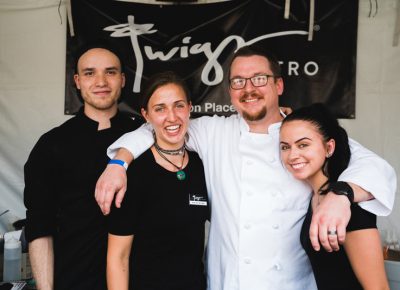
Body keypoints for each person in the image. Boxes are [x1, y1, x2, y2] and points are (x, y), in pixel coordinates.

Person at [95, 45, 396, 290]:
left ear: (279, 84)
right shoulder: (214, 131)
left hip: (290, 284)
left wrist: (341, 194)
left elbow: (375, 167)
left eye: (259, 79)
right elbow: (159, 126)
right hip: (227, 282)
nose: (248, 88)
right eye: (238, 81)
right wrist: (119, 163)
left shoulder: (305, 134)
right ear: (229, 91)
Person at [23, 40, 142, 290]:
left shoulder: (143, 135)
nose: (101, 82)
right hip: (75, 281)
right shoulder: (51, 145)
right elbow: (39, 227)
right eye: (90, 73)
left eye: (110, 72)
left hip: (142, 280)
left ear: (122, 79)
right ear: (77, 81)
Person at [107, 71, 209, 290]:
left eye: (178, 105)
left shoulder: (202, 165)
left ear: (190, 108)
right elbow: (118, 257)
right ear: (146, 115)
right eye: (160, 108)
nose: (172, 117)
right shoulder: (134, 172)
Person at [279, 103, 390, 290]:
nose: (293, 155)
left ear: (329, 147)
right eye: (285, 147)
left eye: (303, 145)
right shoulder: (316, 197)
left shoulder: (347, 206)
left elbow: (378, 288)